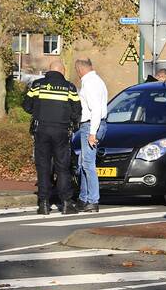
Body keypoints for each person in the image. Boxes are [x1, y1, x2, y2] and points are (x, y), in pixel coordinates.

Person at [23, 60, 81, 216]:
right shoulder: (69, 87)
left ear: (49, 70)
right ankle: (67, 204)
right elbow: (77, 110)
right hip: (61, 131)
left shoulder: (37, 85)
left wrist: (40, 110)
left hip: (41, 129)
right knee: (63, 168)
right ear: (62, 71)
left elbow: (26, 106)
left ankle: (43, 204)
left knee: (43, 167)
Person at [75, 58, 108, 213]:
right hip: (98, 124)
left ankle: (93, 201)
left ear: (80, 70)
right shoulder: (99, 81)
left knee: (88, 164)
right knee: (83, 163)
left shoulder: (89, 84)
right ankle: (83, 198)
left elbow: (95, 109)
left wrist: (92, 133)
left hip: (90, 125)